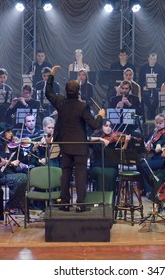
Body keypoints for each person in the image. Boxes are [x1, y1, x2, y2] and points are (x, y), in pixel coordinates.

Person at [45, 69, 106, 213]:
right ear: (78, 92)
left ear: (66, 91)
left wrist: (51, 76)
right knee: (80, 175)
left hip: (65, 145)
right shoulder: (82, 106)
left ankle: (64, 204)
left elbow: (48, 93)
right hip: (80, 146)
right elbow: (95, 125)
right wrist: (100, 115)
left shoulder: (60, 102)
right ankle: (80, 205)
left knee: (66, 173)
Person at [0, 123, 28, 212]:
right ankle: (10, 204)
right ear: (3, 133)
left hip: (10, 172)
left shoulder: (11, 144)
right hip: (0, 174)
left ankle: (20, 203)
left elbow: (22, 158)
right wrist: (9, 163)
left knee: (28, 175)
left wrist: (19, 148)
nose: (11, 134)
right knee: (21, 179)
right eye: (8, 132)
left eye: (11, 131)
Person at [89, 119, 130, 193]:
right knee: (100, 173)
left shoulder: (114, 140)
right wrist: (100, 139)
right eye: (106, 126)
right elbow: (86, 139)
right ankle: (99, 198)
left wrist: (126, 142)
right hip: (98, 165)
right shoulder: (96, 138)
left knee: (111, 173)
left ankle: (110, 200)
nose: (108, 128)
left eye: (110, 126)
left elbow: (121, 152)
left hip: (111, 165)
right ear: (101, 127)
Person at [140, 113, 165, 195]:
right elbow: (147, 138)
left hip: (162, 158)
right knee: (139, 163)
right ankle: (146, 189)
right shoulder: (156, 132)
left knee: (144, 165)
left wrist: (153, 148)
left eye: (160, 123)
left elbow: (162, 143)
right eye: (157, 123)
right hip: (155, 157)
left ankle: (153, 183)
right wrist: (145, 143)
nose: (158, 125)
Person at [138, 53, 165, 120]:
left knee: (157, 95)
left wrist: (158, 85)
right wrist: (143, 86)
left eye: (154, 59)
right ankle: (152, 111)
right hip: (146, 88)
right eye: (151, 59)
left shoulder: (160, 68)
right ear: (148, 59)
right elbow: (140, 80)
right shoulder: (143, 68)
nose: (153, 61)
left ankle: (150, 111)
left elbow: (163, 79)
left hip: (156, 88)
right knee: (145, 95)